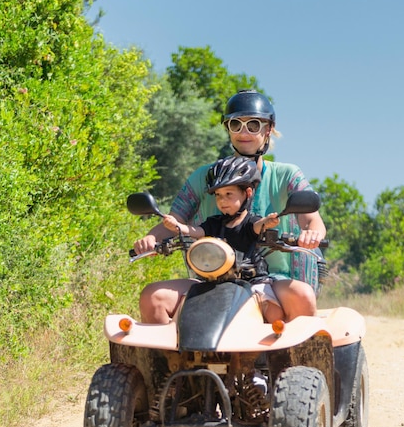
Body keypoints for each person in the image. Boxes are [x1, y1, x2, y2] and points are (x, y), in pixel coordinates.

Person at [134, 89, 326, 324]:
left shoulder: (287, 175)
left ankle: (294, 358)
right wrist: (151, 239)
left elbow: (311, 219)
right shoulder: (204, 176)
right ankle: (169, 360)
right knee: (153, 297)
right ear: (227, 129)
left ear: (268, 130)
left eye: (253, 125)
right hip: (212, 277)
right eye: (236, 124)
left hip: (275, 278)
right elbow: (175, 221)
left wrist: (312, 233)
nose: (244, 132)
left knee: (301, 295)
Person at [162, 155, 287, 322]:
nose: (222, 200)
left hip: (252, 281)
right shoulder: (213, 223)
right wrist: (178, 226)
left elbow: (259, 226)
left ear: (247, 193)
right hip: (214, 281)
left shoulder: (250, 222)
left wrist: (268, 221)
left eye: (229, 194)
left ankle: (273, 344)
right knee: (187, 309)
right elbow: (197, 231)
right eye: (218, 195)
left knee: (272, 311)